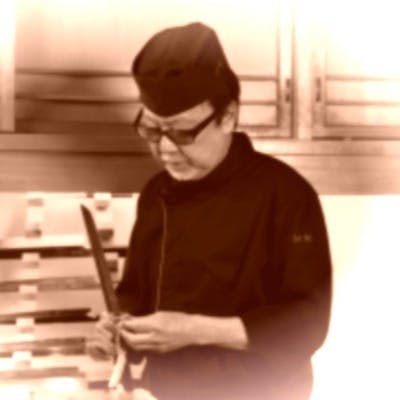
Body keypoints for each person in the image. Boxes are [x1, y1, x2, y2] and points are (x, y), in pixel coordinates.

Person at [87, 22, 332, 400]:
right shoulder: (155, 194)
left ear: (228, 117)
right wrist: (117, 329)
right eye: (152, 130)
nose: (165, 149)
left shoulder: (286, 195)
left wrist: (194, 331)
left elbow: (306, 323)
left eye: (183, 133)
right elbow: (136, 293)